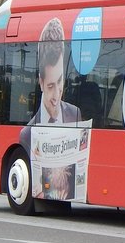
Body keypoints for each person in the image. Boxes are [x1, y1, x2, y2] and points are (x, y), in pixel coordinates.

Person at [19, 18, 80, 148]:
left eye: (60, 81)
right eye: (51, 86)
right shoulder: (27, 134)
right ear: (41, 83)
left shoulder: (75, 114)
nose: (57, 94)